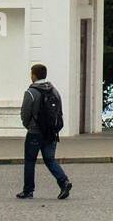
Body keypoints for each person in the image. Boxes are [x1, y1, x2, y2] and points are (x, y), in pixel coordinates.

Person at [17, 63, 72, 199]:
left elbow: (25, 113)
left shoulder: (31, 92)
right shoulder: (54, 91)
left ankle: (28, 190)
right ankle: (64, 182)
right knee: (50, 159)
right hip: (51, 132)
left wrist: (28, 125)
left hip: (35, 132)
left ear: (34, 75)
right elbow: (59, 111)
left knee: (30, 160)